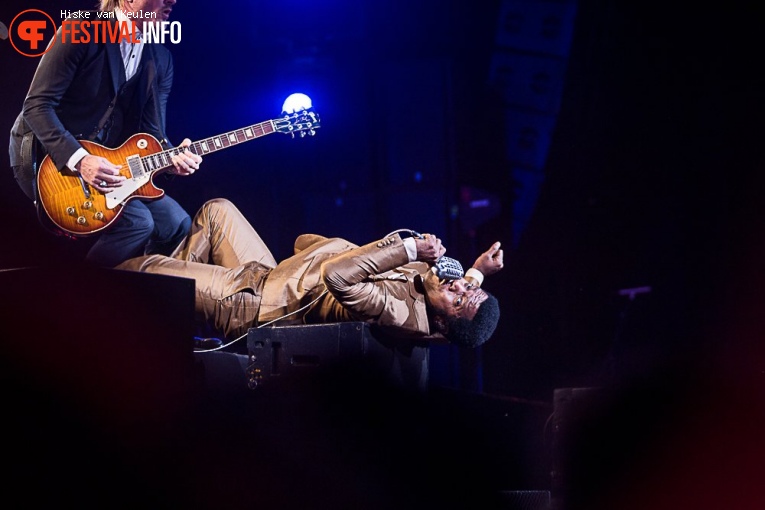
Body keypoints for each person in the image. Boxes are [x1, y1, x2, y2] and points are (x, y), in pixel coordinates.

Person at [116, 198, 504, 347]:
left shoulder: (399, 314)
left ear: (441, 321)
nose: (457, 286)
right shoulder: (446, 299)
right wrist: (477, 274)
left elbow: (337, 275)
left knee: (140, 269)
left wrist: (408, 249)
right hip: (270, 276)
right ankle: (168, 313)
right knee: (217, 212)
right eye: (464, 288)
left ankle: (148, 306)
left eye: (458, 297)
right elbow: (463, 299)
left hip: (252, 304)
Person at [9, 0, 202, 267]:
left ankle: (147, 292)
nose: (172, 1)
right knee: (138, 223)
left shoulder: (160, 58)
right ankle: (82, 298)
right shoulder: (80, 28)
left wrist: (172, 158)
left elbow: (153, 134)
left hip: (105, 159)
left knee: (176, 224)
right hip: (43, 152)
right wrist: (81, 160)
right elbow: (36, 106)